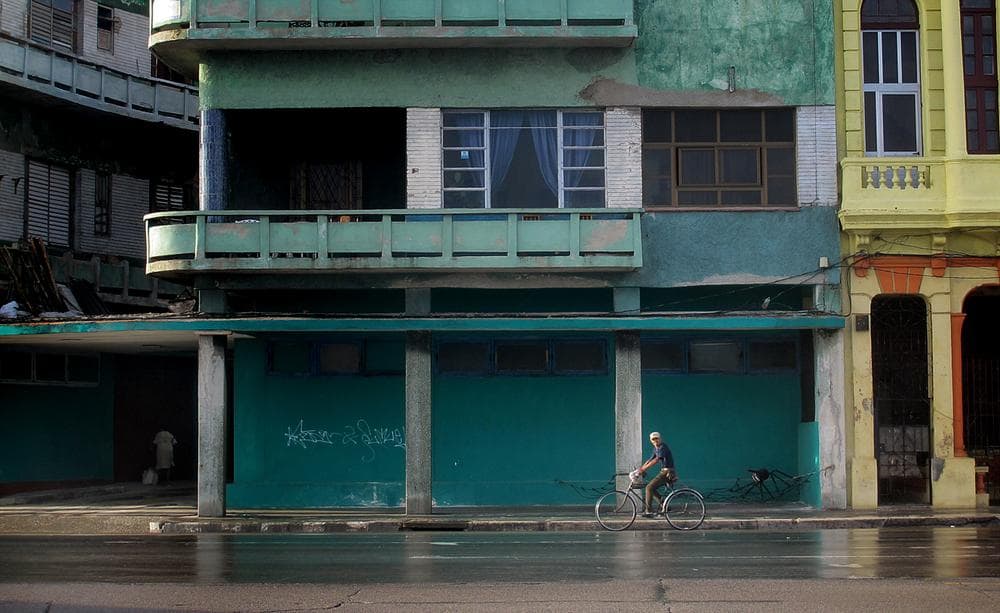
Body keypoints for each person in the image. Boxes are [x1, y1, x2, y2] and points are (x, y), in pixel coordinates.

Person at [638, 431, 676, 517]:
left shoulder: (663, 447)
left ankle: (649, 511)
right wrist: (640, 469)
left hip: (668, 472)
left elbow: (656, 460)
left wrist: (643, 469)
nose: (655, 440)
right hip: (664, 471)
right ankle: (665, 506)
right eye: (653, 439)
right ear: (651, 440)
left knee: (648, 487)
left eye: (656, 438)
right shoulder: (656, 448)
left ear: (660, 439)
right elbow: (650, 459)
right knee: (652, 488)